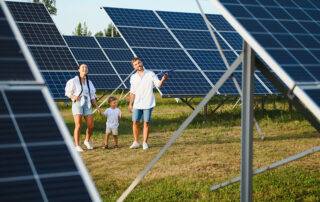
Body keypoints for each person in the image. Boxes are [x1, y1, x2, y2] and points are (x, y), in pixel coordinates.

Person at [128, 57, 168, 150]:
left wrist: (163, 79)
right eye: (136, 64)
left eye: (139, 63)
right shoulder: (133, 77)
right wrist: (130, 104)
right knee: (135, 122)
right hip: (137, 104)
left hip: (148, 102)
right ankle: (136, 142)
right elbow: (132, 92)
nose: (139, 65)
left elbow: (159, 84)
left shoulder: (150, 74)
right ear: (134, 67)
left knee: (146, 123)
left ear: (142, 62)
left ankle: (144, 142)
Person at [65, 64, 102, 152]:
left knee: (91, 125)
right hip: (78, 103)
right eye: (82, 67)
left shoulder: (89, 82)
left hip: (87, 103)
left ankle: (87, 140)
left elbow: (92, 95)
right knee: (78, 125)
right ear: (78, 70)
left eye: (86, 68)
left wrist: (97, 107)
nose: (85, 69)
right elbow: (68, 93)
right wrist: (76, 98)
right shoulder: (73, 81)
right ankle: (77, 145)